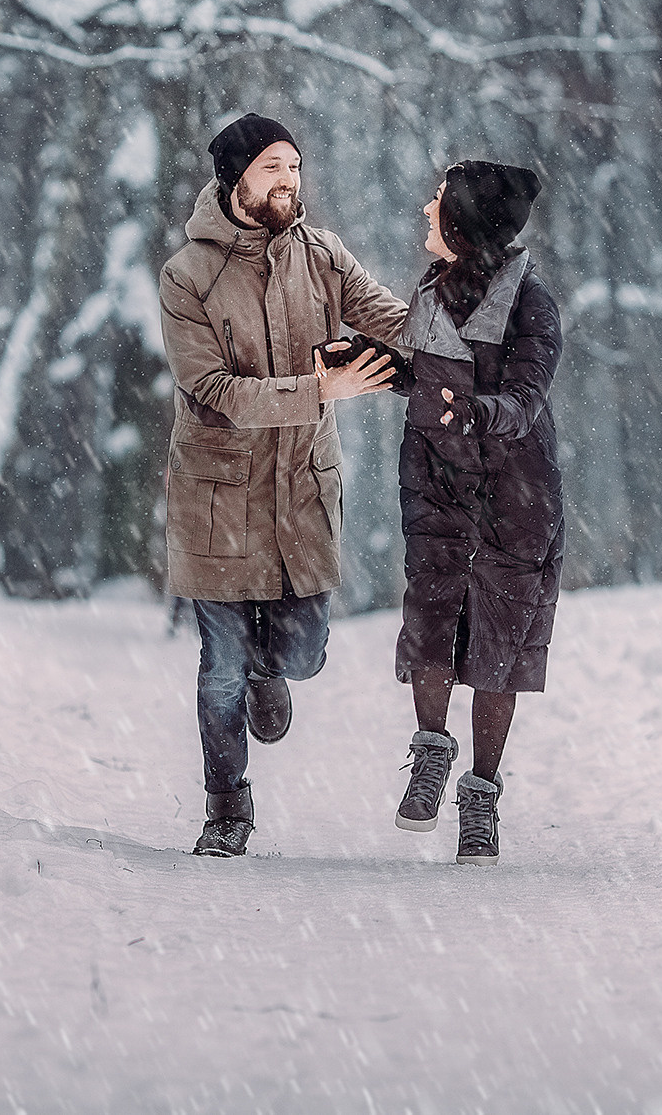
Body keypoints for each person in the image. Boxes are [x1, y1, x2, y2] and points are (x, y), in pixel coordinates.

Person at [159, 113, 409, 858]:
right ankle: (227, 808)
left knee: (302, 652)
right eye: (274, 168)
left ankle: (278, 667)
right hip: (218, 497)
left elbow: (391, 317)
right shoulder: (187, 275)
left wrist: (468, 328)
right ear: (236, 177)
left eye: (296, 168)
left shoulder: (324, 255)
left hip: (301, 491)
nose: (290, 182)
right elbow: (213, 389)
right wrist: (319, 389)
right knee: (219, 671)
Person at [390, 161, 563, 865]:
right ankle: (432, 750)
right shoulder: (429, 292)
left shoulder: (531, 305)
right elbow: (420, 376)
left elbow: (526, 400)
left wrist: (475, 412)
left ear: (465, 224)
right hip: (435, 485)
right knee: (431, 622)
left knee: (498, 644)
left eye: (438, 202)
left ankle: (481, 795)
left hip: (515, 497)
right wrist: (373, 364)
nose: (426, 208)